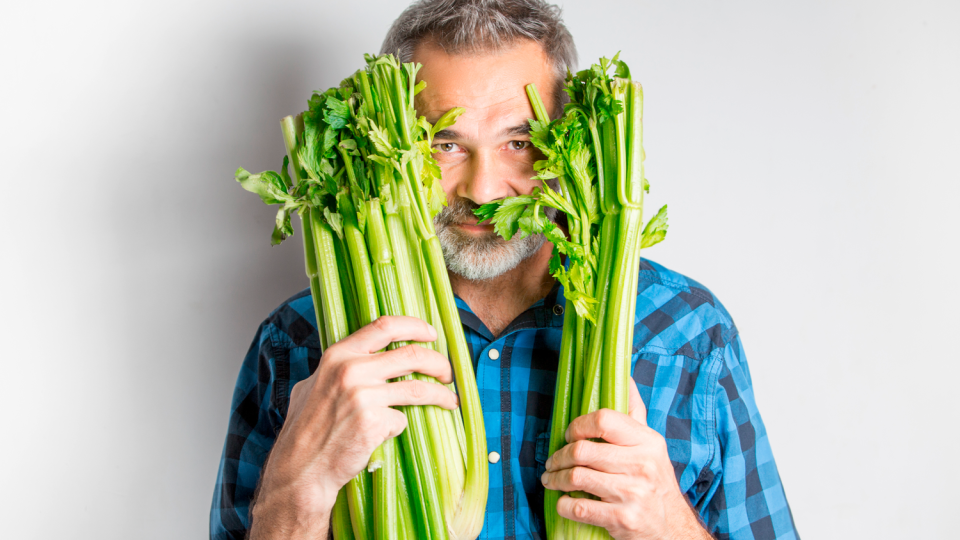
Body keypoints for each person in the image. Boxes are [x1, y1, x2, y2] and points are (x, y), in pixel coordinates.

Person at [211, 1, 799, 539]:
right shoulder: (300, 342)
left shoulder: (685, 333)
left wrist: (670, 525)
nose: (484, 189)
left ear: (571, 146)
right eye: (444, 144)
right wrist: (298, 490)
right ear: (388, 148)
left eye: (519, 143)